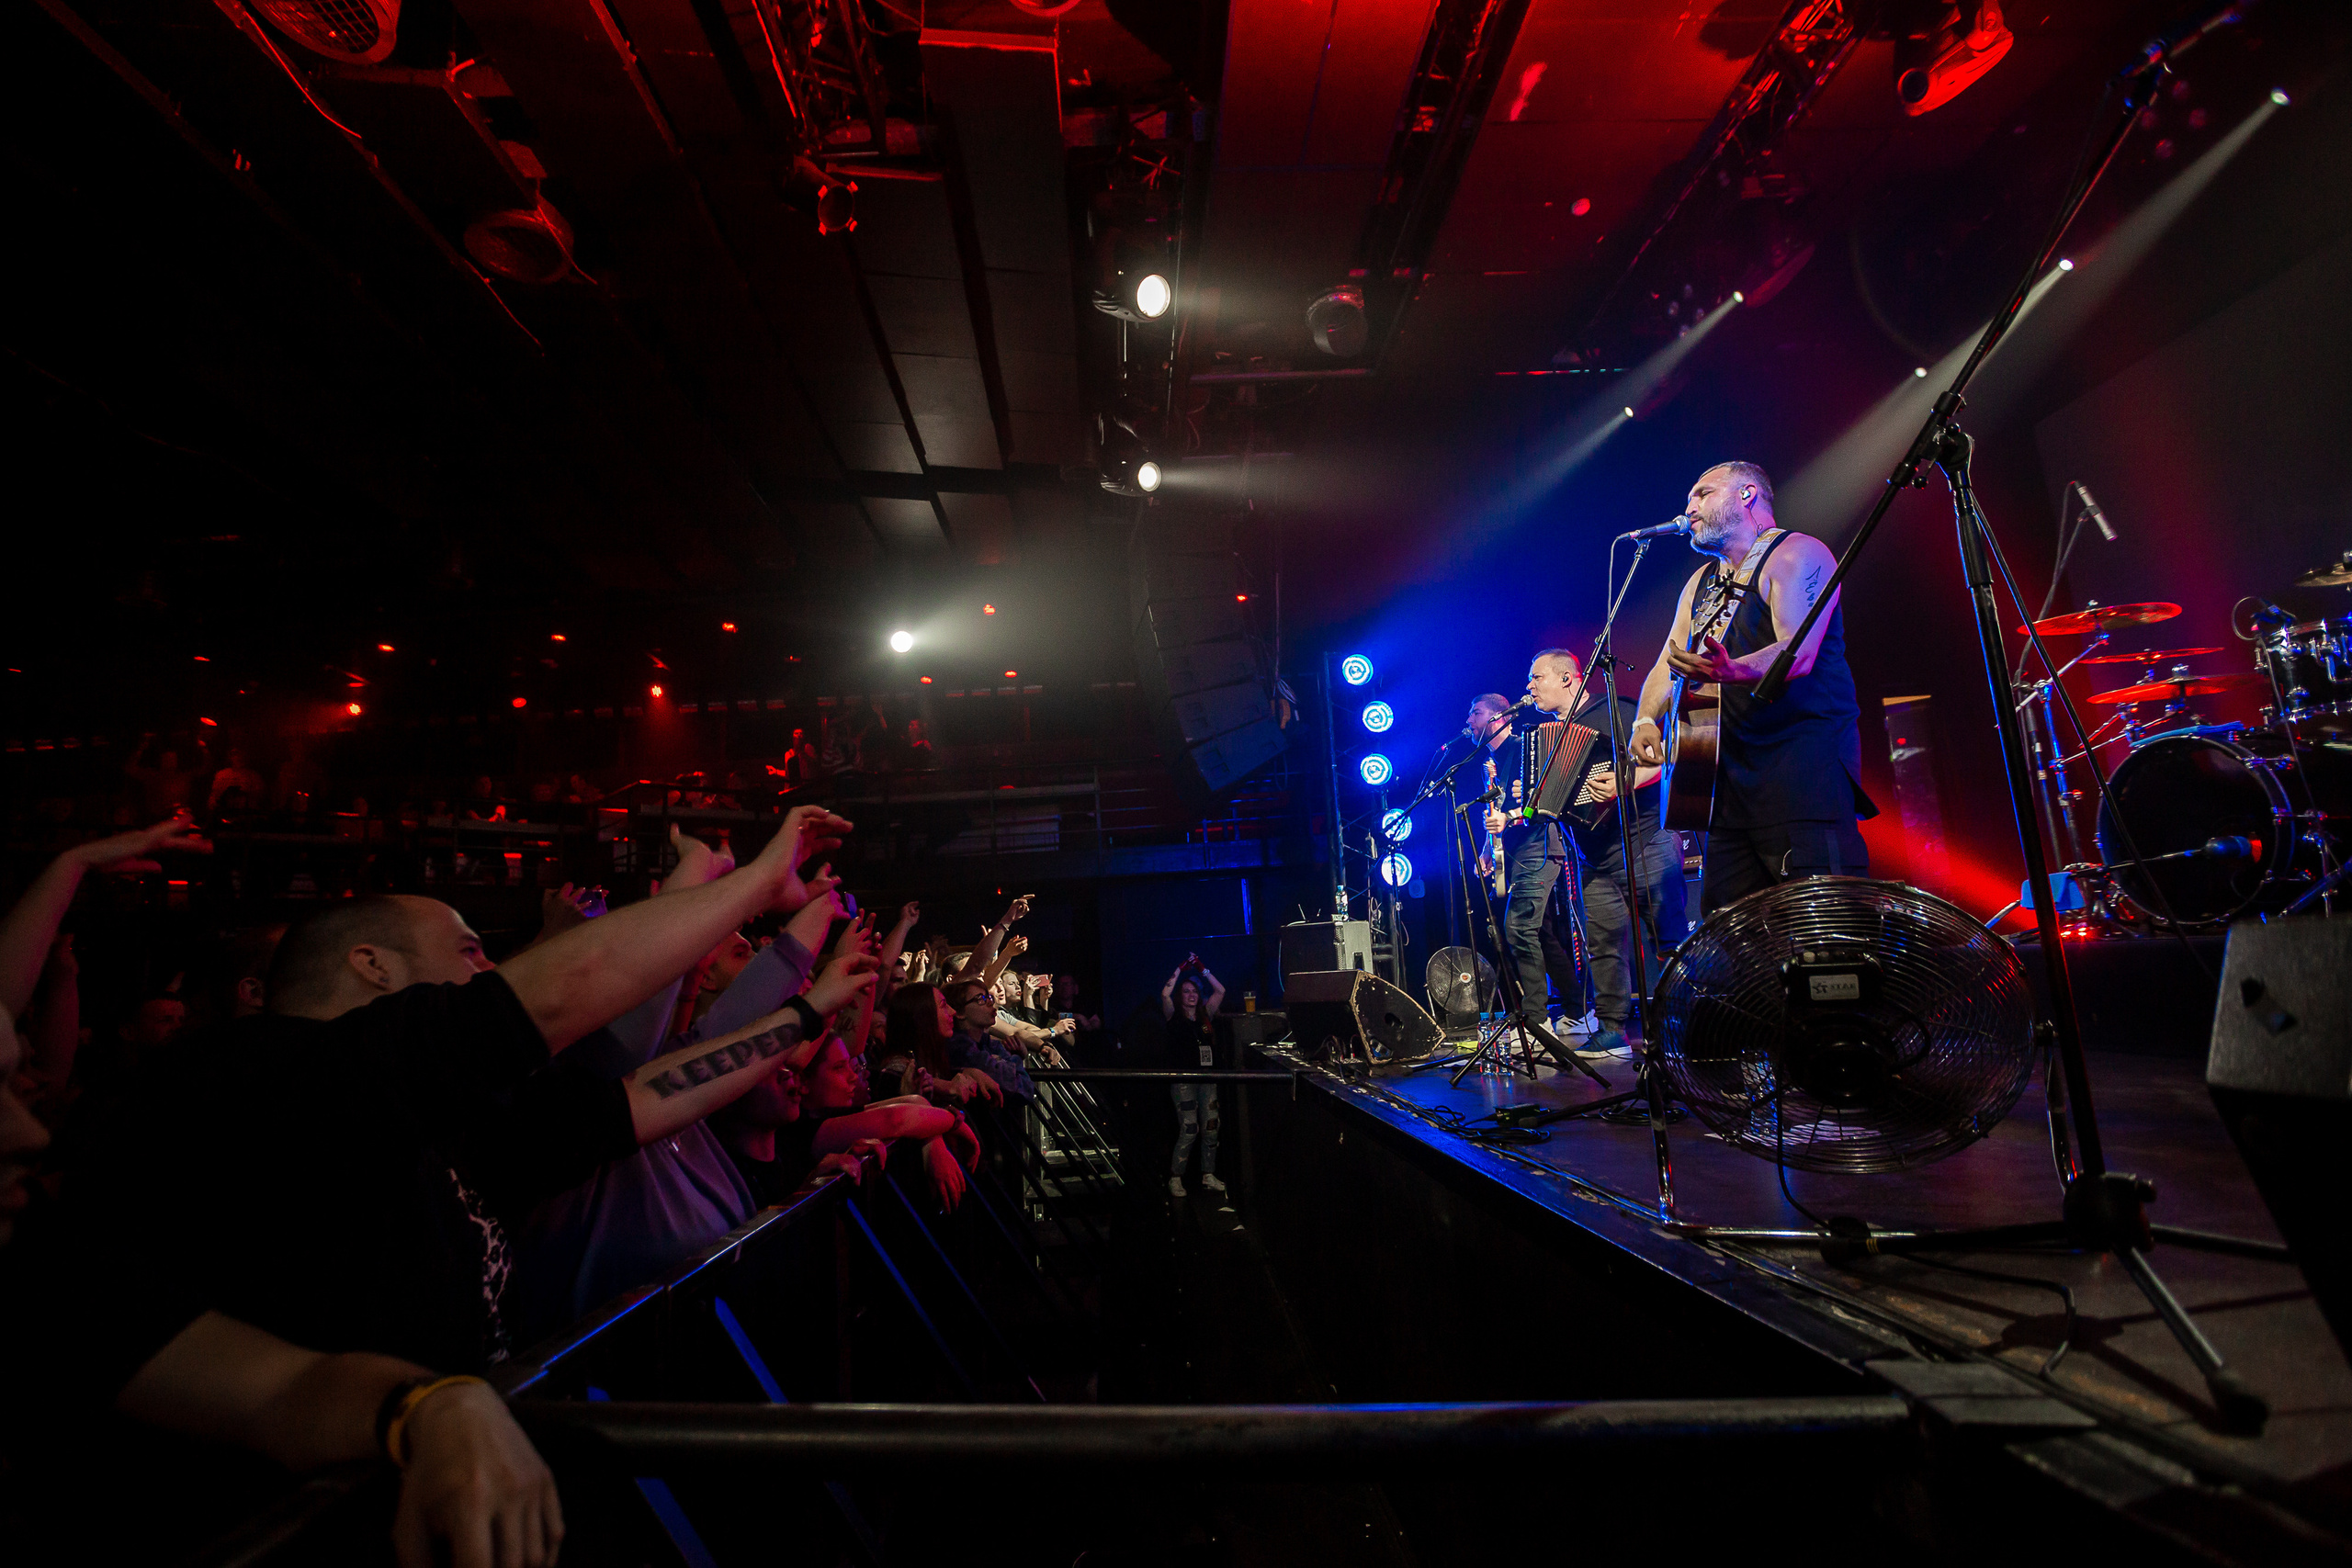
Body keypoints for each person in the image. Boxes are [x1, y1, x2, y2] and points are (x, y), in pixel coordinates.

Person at [6, 806, 865, 1563]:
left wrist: (805, 1014)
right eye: (469, 949)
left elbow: (651, 1095)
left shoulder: (456, 1131)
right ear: (373, 966)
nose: (491, 967)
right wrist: (755, 886)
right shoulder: (256, 1073)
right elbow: (559, 993)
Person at [1626, 461, 1877, 913]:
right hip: (1721, 792)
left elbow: (1796, 652)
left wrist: (1730, 671)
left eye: (1702, 494)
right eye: (1689, 499)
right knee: (1733, 943)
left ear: (1746, 495)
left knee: (1823, 930)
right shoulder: (1700, 583)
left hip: (1800, 778)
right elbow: (1669, 659)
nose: (1690, 508)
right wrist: (1646, 718)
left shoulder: (1798, 554)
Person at [1470, 667, 1586, 1042]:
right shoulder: (1489, 763)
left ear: (1498, 717)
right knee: (1543, 933)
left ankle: (1536, 1021)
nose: (1468, 720)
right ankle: (1579, 1011)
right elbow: (1498, 810)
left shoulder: (1523, 747)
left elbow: (1543, 800)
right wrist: (1489, 850)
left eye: (1476, 712)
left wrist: (1510, 818)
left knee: (1518, 927)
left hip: (1540, 846)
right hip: (1515, 853)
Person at [1569, 692, 1684, 1055]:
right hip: (1595, 856)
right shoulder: (1550, 736)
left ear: (1566, 678)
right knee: (1602, 945)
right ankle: (1612, 1031)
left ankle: (1686, 1028)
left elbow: (1668, 757)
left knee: (1669, 942)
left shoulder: (1619, 709)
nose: (1530, 687)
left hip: (1644, 840)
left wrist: (1627, 782)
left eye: (1537, 678)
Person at [1159, 962, 1225, 1199]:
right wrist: (1179, 969)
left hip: (1207, 1079)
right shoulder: (1173, 1015)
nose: (1191, 995)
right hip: (1183, 1080)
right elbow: (1165, 993)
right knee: (1189, 1128)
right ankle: (1175, 1177)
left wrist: (1202, 969)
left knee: (1211, 1126)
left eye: (1194, 991)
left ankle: (1208, 1174)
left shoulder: (1205, 1014)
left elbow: (1221, 991)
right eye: (1186, 991)